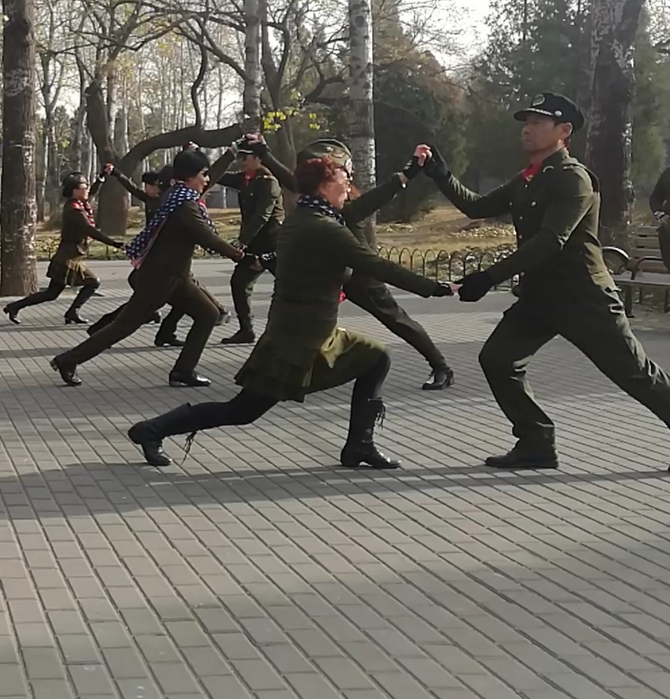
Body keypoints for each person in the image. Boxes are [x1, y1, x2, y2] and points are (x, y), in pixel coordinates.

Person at [126, 156, 455, 469]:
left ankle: (360, 444)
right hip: (297, 340)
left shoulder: (307, 216)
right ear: (324, 187)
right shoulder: (324, 228)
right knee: (242, 410)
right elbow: (375, 263)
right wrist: (435, 288)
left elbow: (360, 219)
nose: (348, 185)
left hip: (311, 333)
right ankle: (152, 430)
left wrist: (404, 175)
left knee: (376, 358)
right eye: (343, 180)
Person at [421, 93, 670, 469]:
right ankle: (536, 441)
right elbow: (477, 206)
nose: (528, 129)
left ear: (563, 130)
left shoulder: (573, 179)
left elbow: (551, 240)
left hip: (583, 297)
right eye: (527, 122)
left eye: (538, 122)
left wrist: (488, 277)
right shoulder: (529, 179)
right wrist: (442, 175)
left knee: (634, 374)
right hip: (540, 298)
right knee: (498, 359)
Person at [248, 137, 456, 391]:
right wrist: (265, 153)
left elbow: (387, 190)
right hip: (329, 277)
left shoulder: (348, 207)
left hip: (361, 276)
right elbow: (294, 181)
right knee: (315, 327)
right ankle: (302, 374)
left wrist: (412, 169)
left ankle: (441, 367)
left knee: (397, 320)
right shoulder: (316, 204)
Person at [52, 149, 243, 388]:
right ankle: (68, 360)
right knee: (125, 326)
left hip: (174, 276)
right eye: (204, 174)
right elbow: (207, 238)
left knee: (208, 314)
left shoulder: (177, 195)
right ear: (191, 176)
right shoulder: (185, 205)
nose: (207, 180)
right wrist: (239, 255)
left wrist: (230, 153)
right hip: (160, 278)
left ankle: (183, 371)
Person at [5, 171, 123, 325]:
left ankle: (14, 307)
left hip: (70, 255)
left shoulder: (80, 204)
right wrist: (114, 243)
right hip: (69, 258)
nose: (87, 189)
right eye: (84, 187)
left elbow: (91, 194)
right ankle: (72, 312)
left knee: (51, 293)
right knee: (93, 282)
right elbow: (90, 230)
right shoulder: (74, 210)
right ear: (75, 190)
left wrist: (100, 179)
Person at [206, 137, 283, 344]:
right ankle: (246, 330)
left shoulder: (269, 183)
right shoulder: (244, 179)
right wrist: (226, 153)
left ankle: (293, 331)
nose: (241, 161)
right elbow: (216, 175)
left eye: (245, 157)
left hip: (274, 245)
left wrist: (242, 241)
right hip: (254, 245)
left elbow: (262, 216)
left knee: (288, 287)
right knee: (239, 283)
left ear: (258, 159)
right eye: (240, 157)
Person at [649, 162, 670, 263]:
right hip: (667, 228)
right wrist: (660, 215)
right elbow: (655, 198)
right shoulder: (668, 174)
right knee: (668, 261)